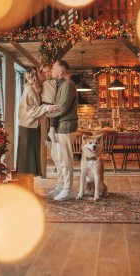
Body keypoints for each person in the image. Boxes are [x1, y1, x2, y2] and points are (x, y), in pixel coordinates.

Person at [16, 67, 56, 187]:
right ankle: (25, 189)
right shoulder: (29, 90)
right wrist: (46, 108)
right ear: (35, 76)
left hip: (32, 128)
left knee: (30, 159)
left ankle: (29, 188)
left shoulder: (34, 89)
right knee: (26, 159)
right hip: (27, 129)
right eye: (41, 72)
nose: (43, 73)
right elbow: (30, 111)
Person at [47, 60, 78, 201]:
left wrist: (46, 112)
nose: (51, 71)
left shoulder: (68, 85)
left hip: (66, 127)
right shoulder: (62, 85)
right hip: (60, 127)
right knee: (58, 158)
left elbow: (62, 107)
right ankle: (61, 185)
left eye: (53, 68)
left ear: (61, 72)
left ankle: (68, 189)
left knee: (65, 160)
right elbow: (57, 106)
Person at [40, 63, 58, 143]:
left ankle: (49, 136)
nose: (47, 74)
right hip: (45, 102)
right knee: (50, 118)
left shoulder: (54, 81)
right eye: (44, 72)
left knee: (51, 119)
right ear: (42, 73)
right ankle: (50, 132)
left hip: (52, 102)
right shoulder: (42, 82)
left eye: (48, 71)